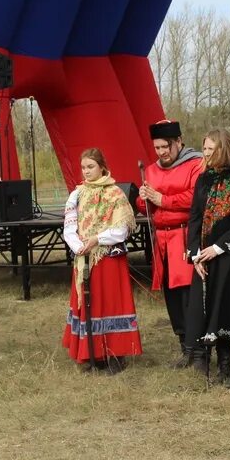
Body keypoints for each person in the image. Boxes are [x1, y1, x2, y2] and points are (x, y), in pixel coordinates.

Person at [185, 130, 230, 388]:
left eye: (211, 149)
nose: (206, 154)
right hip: (206, 256)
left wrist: (219, 247)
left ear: (224, 149)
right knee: (215, 309)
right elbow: (194, 217)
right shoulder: (203, 180)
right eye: (204, 149)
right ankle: (223, 364)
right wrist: (195, 254)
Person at [60, 148, 142, 374]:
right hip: (84, 257)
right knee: (90, 305)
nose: (86, 171)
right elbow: (69, 226)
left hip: (108, 258)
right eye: (84, 167)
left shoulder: (115, 194)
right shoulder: (77, 194)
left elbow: (122, 229)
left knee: (110, 304)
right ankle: (92, 352)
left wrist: (97, 239)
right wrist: (79, 246)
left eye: (91, 167)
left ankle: (116, 354)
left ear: (102, 167)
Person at [136, 119, 204, 368]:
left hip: (184, 236)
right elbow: (145, 207)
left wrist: (162, 199)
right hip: (162, 241)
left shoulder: (195, 164)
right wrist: (143, 199)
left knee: (189, 294)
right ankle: (184, 346)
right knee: (172, 296)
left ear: (178, 142)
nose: (162, 152)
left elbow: (196, 196)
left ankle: (198, 350)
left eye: (166, 146)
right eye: (157, 148)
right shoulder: (151, 170)